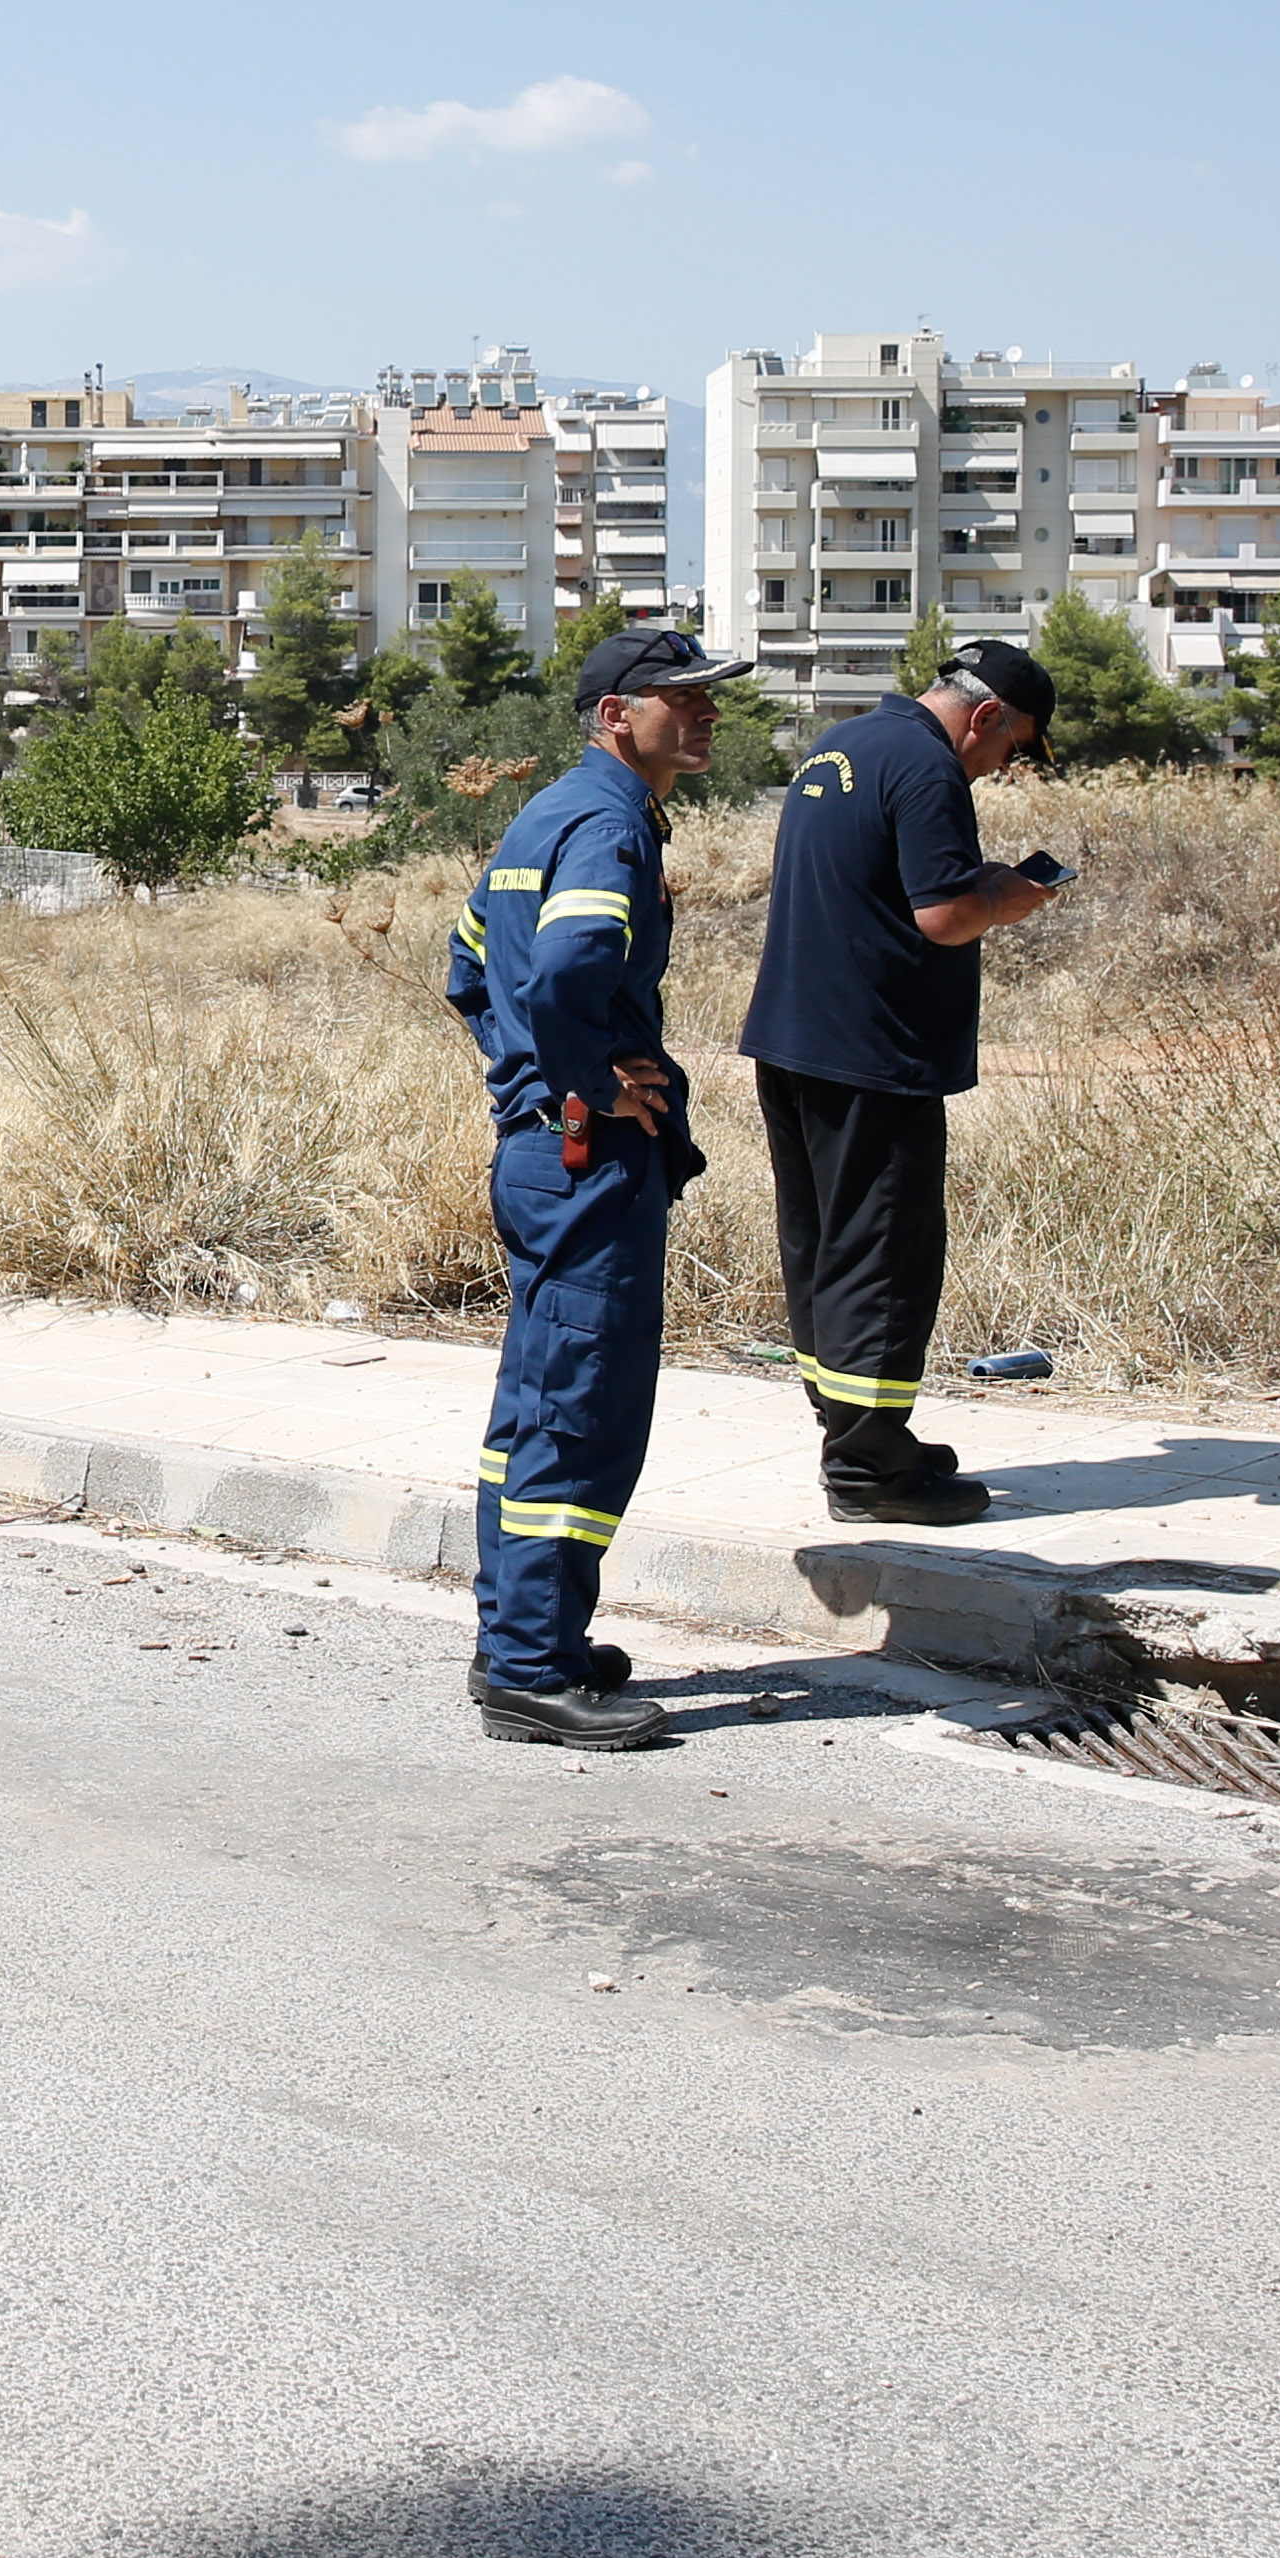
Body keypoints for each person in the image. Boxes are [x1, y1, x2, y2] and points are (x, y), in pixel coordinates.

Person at [447, 624, 748, 1751]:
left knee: (533, 1402)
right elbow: (568, 965)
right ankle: (529, 1668)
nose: (706, 713)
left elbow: (468, 960)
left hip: (539, 1151)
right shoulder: (609, 825)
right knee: (582, 1408)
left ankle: (524, 1637)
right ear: (617, 714)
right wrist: (584, 1081)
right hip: (582, 1159)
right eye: (684, 697)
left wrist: (525, 1073)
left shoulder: (545, 814)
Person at [738, 640, 1068, 1526]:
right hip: (873, 1053)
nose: (998, 769)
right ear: (987, 715)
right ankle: (869, 1469)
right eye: (1008, 750)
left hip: (796, 1039)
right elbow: (947, 913)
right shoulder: (927, 769)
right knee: (883, 1254)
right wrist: (1008, 895)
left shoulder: (842, 745)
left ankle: (855, 1428)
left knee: (822, 1246)